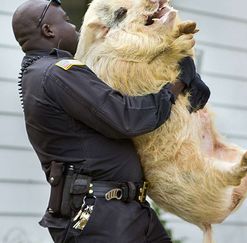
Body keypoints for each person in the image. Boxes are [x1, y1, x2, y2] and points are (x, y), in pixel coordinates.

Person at [12, 0, 210, 242]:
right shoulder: (56, 73)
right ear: (48, 31)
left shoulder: (42, 74)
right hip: (102, 216)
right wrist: (177, 84)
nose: (74, 27)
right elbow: (126, 118)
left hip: (120, 211)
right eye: (65, 20)